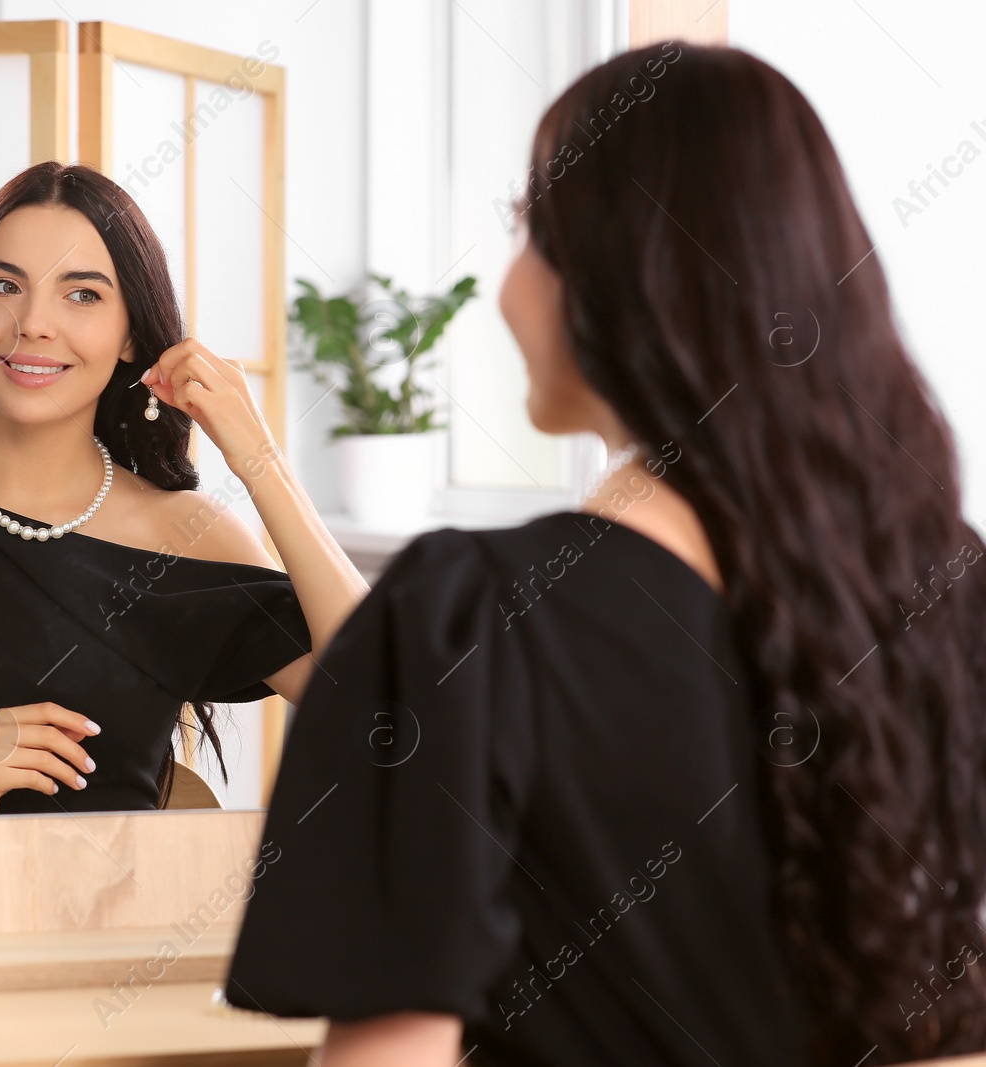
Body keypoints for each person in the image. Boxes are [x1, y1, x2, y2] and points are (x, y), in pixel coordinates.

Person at [225, 41, 986, 1066]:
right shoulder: (948, 599)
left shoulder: (465, 619)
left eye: (533, 233)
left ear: (625, 277)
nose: (505, 288)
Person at [0, 162, 368, 818]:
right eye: (4, 285)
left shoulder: (184, 535)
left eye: (81, 294)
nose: (32, 323)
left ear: (133, 338)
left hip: (122, 920)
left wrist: (258, 458)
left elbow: (384, 707)